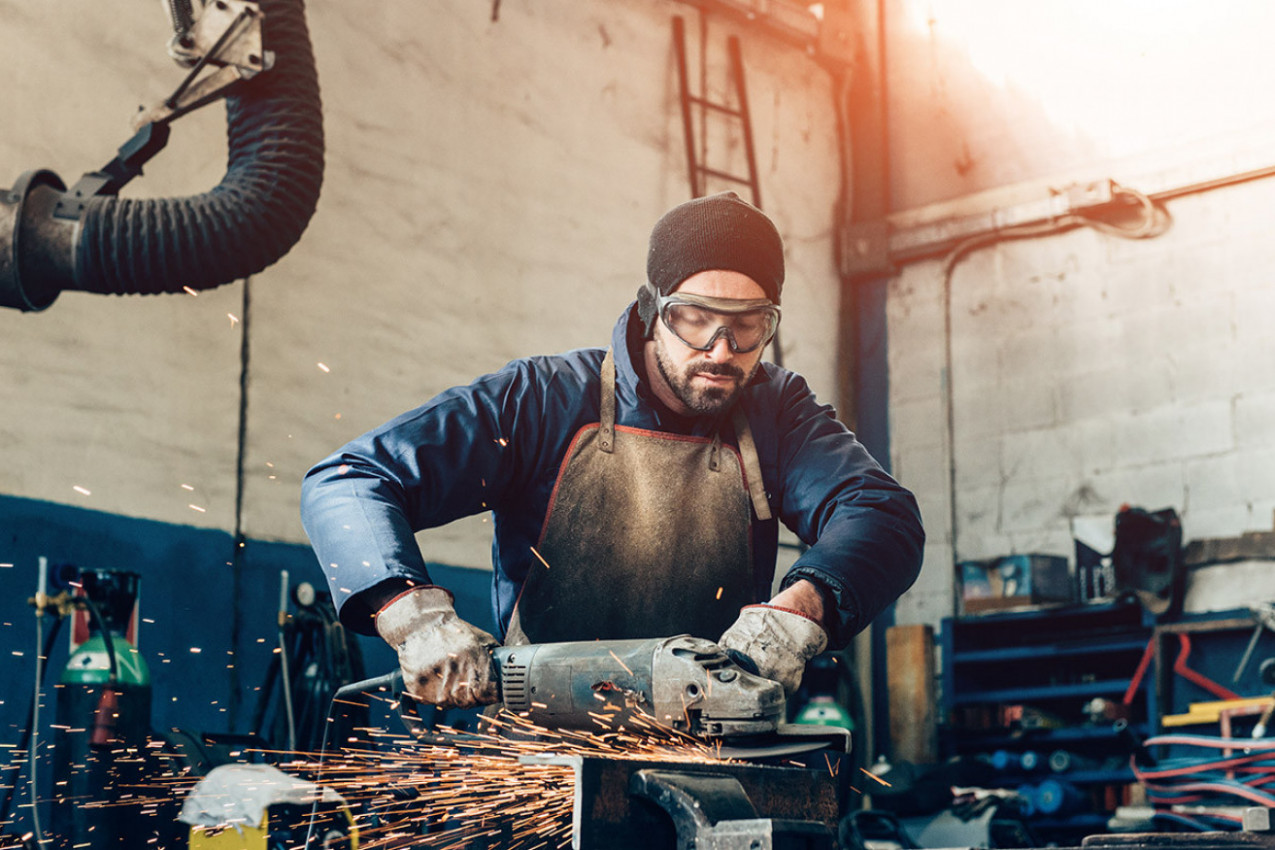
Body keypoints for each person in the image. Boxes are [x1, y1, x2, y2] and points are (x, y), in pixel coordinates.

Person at [300, 192, 924, 711]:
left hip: (705, 737)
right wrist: (411, 617)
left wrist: (800, 608)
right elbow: (351, 479)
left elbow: (881, 515)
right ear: (653, 310)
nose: (721, 348)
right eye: (694, 318)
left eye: (749, 325)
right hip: (537, 747)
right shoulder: (543, 401)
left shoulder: (775, 411)